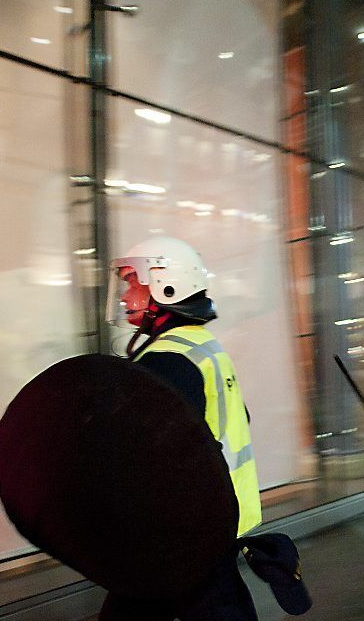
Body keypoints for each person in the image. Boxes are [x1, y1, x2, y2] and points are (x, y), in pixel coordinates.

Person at [100, 235, 262, 621]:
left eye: (131, 283)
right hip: (213, 520)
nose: (124, 296)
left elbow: (150, 456)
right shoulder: (202, 345)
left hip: (185, 531)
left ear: (165, 284)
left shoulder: (167, 360)